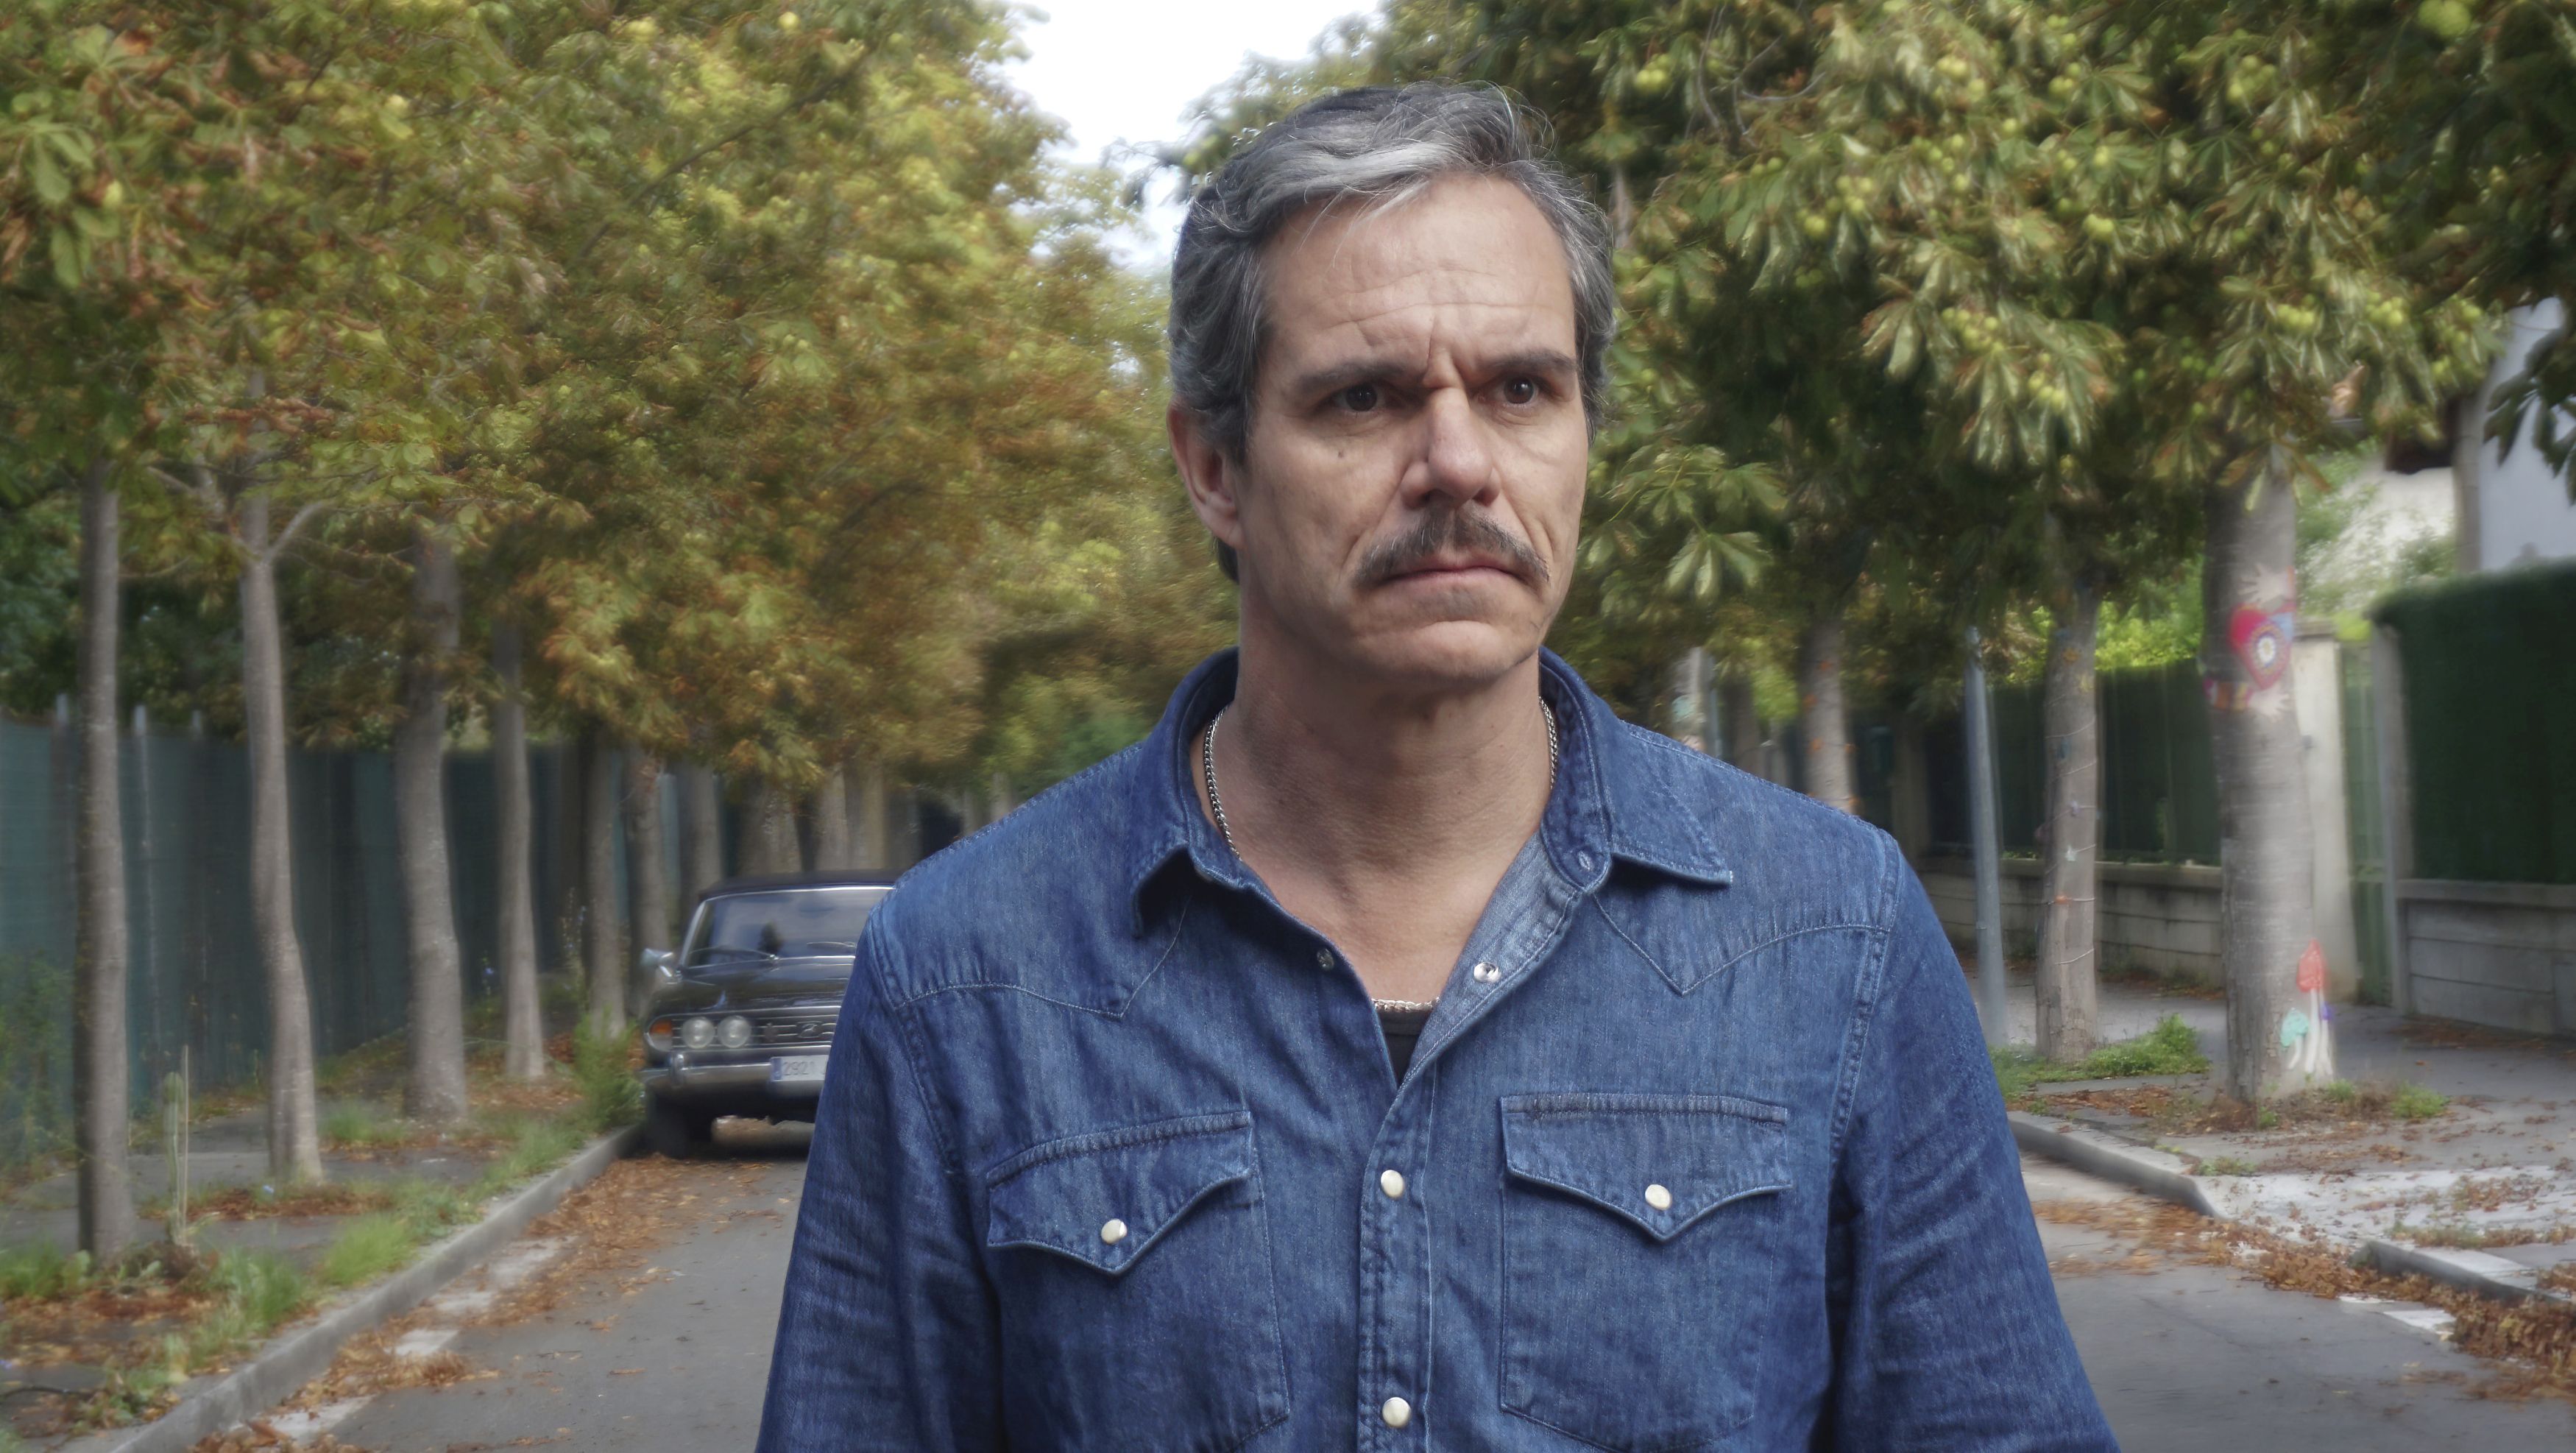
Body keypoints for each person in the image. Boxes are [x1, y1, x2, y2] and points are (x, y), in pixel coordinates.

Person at [757, 82, 2115, 1450]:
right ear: (1215, 467)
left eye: (1523, 388)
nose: (1459, 462)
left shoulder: (1832, 932)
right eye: (1365, 397)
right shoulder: (963, 971)